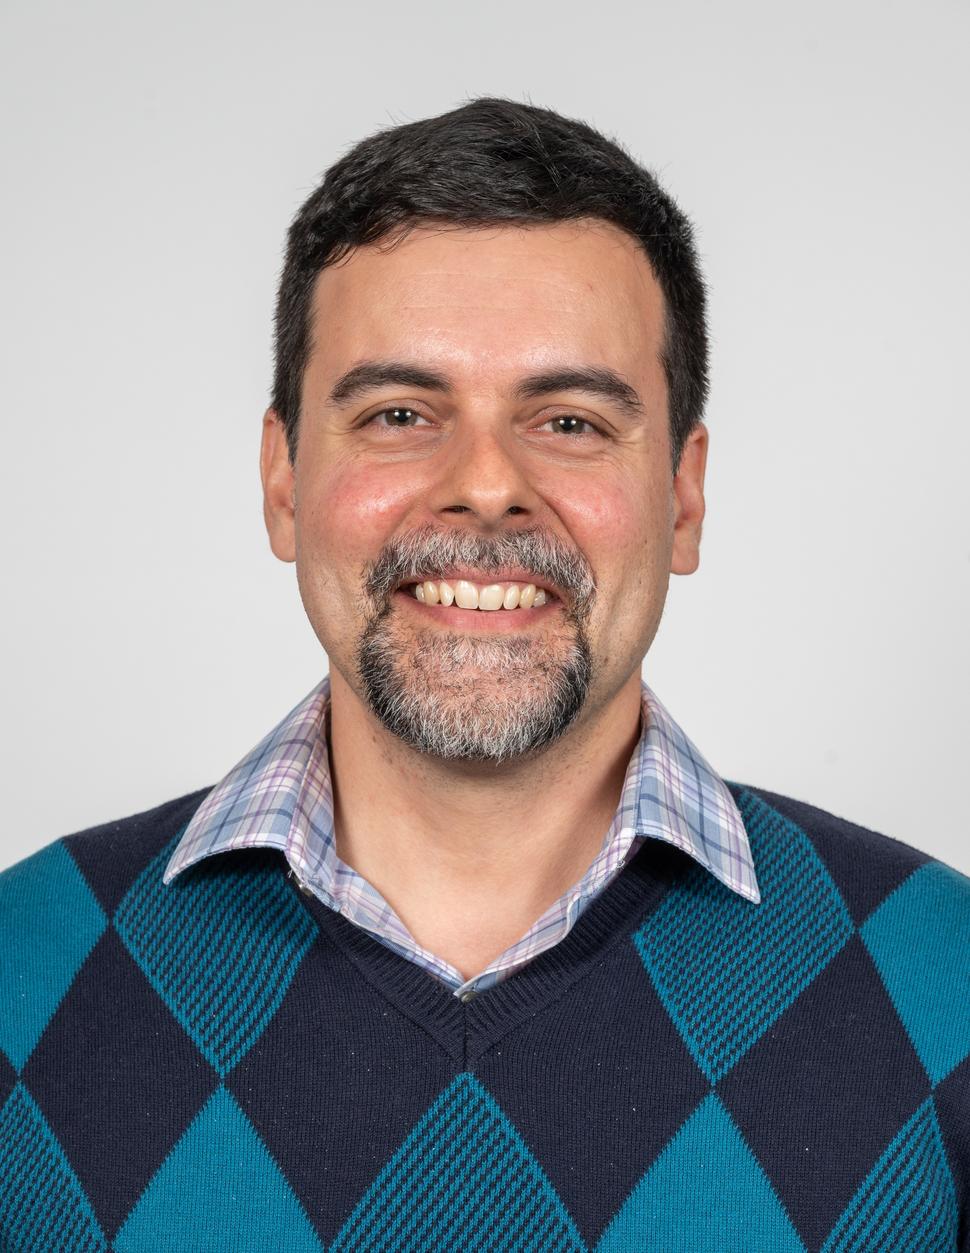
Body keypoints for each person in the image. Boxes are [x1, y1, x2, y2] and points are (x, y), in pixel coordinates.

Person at [1, 97, 967, 1253]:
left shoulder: (943, 983)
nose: (487, 485)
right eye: (401, 412)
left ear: (682, 495)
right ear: (282, 478)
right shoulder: (23, 973)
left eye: (569, 421)